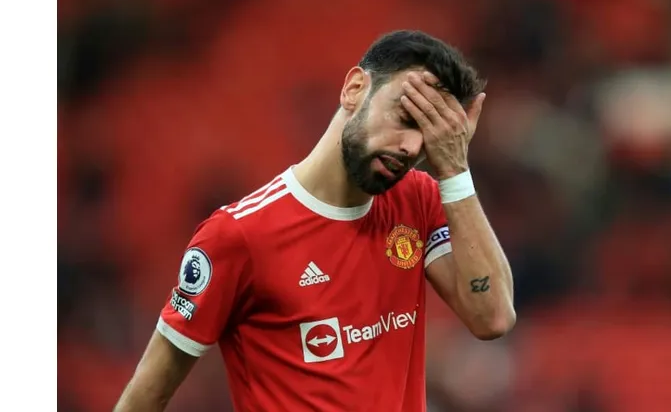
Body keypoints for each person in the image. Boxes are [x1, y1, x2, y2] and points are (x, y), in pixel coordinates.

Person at [114, 29, 516, 412]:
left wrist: (455, 171)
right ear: (354, 89)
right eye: (405, 117)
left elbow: (493, 316)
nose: (411, 147)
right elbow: (148, 393)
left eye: (429, 137)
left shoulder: (418, 200)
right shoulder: (239, 236)